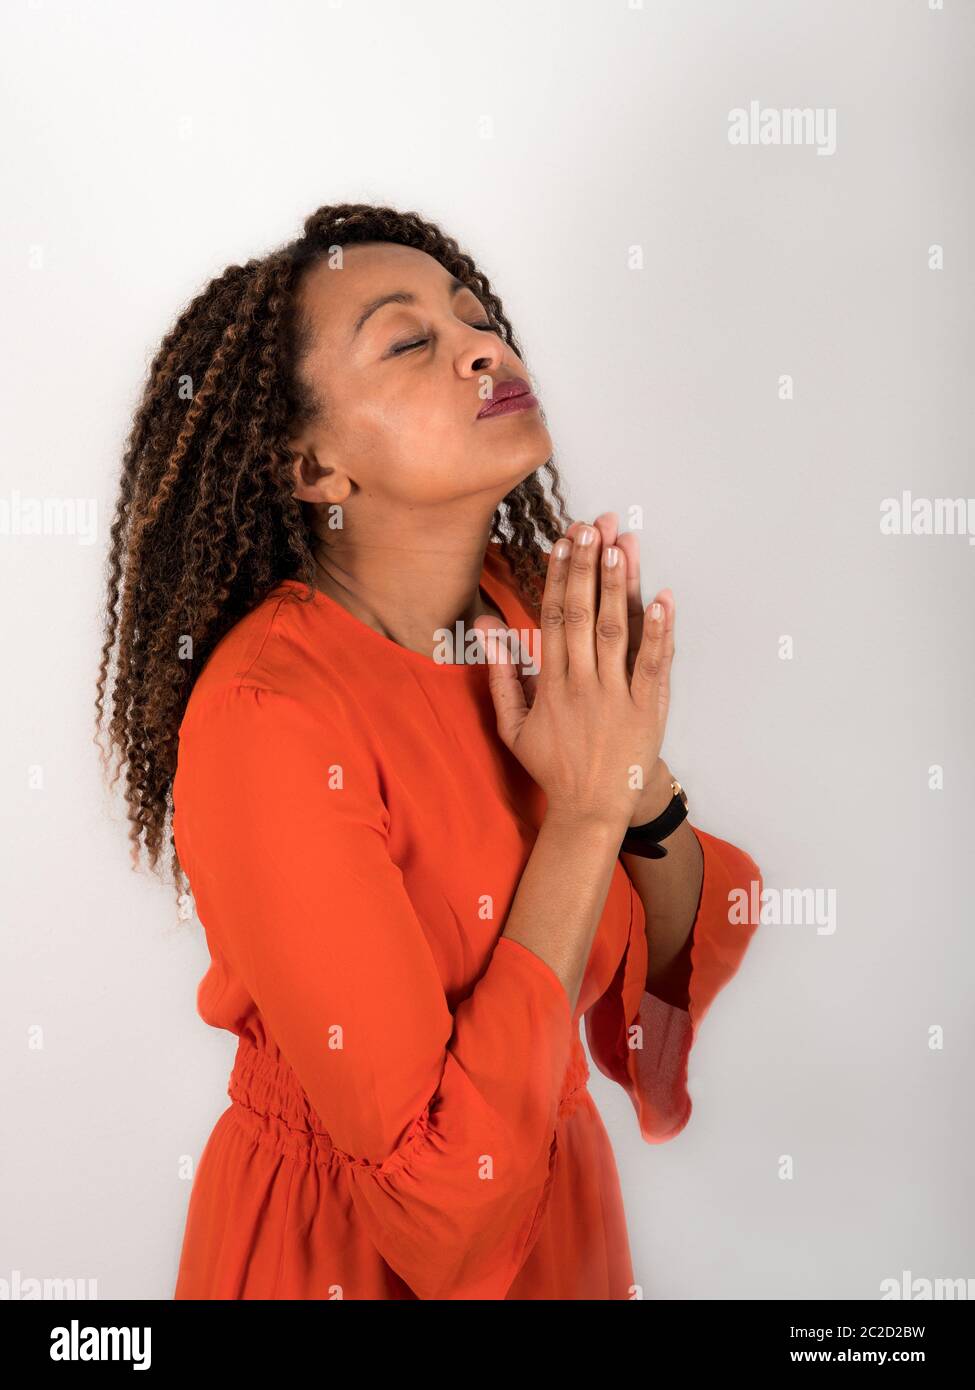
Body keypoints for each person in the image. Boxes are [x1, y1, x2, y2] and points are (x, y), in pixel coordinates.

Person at [95, 202, 763, 1300]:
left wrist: (637, 787)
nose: (485, 345)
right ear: (312, 467)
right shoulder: (269, 718)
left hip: (564, 1236)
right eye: (410, 342)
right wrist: (588, 816)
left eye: (476, 315)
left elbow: (663, 970)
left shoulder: (523, 608)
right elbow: (442, 1205)